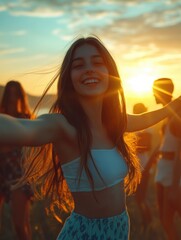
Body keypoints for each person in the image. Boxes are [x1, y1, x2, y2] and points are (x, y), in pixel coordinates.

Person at [0, 37, 180, 240]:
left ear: (109, 73)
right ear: (70, 78)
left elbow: (146, 119)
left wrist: (173, 106)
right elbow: (21, 128)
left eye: (97, 62)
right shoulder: (63, 126)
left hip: (119, 230)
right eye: (79, 65)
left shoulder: (113, 123)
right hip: (85, 234)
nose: (89, 69)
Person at [0, 81, 33, 240]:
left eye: (16, 94)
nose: (13, 98)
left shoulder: (25, 118)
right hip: (1, 170)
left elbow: (27, 147)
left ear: (20, 96)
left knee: (20, 225)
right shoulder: (1, 117)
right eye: (10, 94)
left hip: (18, 174)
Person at [152, 78, 181, 240]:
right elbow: (165, 142)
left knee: (168, 219)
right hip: (162, 169)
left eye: (154, 90)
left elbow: (180, 152)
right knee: (165, 220)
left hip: (172, 172)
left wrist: (175, 185)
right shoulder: (166, 113)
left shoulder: (177, 115)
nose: (152, 94)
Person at [132, 103, 152, 228]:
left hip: (144, 166)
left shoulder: (146, 129)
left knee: (141, 197)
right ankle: (147, 220)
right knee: (139, 198)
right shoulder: (136, 128)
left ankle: (147, 220)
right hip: (139, 166)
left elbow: (147, 146)